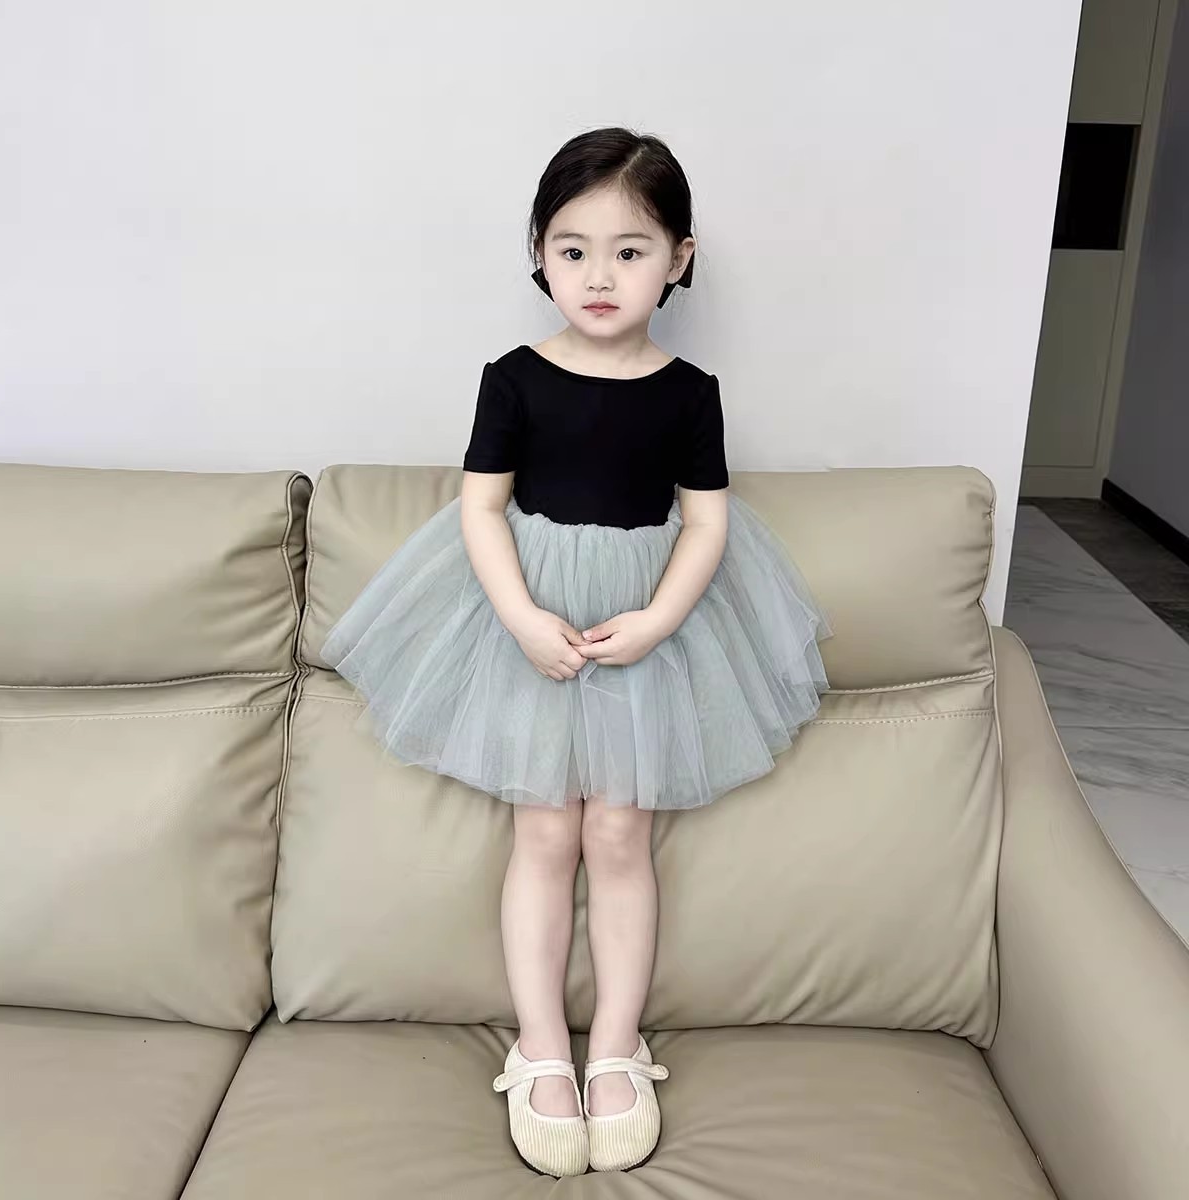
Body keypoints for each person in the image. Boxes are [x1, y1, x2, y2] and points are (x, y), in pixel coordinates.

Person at [321, 127, 830, 1178]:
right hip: (532, 619)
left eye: (629, 250)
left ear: (679, 257)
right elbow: (481, 510)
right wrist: (517, 615)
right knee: (546, 832)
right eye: (573, 249)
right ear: (540, 256)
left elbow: (706, 524)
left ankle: (617, 1049)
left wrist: (658, 621)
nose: (600, 276)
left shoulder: (689, 392)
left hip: (644, 626)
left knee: (620, 834)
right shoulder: (513, 379)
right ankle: (542, 1045)